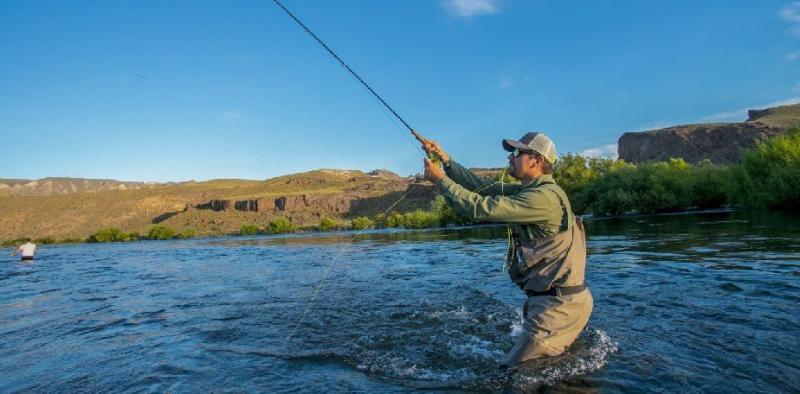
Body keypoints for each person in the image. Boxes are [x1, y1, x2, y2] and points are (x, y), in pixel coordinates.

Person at [418, 131, 592, 368]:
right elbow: (482, 188)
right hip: (558, 302)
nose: (510, 157)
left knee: (511, 374)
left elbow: (482, 208)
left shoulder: (543, 198)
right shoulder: (532, 191)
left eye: (517, 152)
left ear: (537, 160)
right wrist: (445, 160)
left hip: (558, 308)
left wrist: (440, 180)